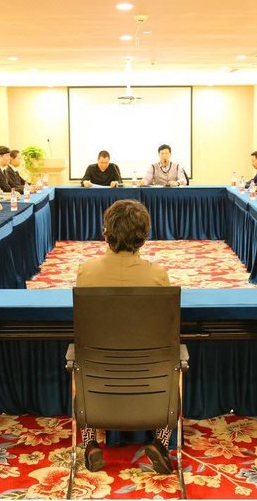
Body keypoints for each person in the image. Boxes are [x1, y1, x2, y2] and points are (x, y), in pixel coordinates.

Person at [75, 199, 173, 474]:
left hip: (97, 371)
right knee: (176, 364)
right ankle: (160, 442)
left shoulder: (86, 272)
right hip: (149, 371)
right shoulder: (158, 276)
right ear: (144, 236)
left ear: (106, 231)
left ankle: (90, 443)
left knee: (78, 363)